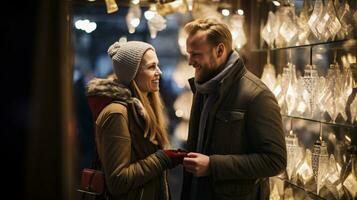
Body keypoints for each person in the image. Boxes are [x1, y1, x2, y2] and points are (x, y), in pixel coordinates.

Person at [181, 18, 287, 200]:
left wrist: (213, 165)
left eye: (196, 54)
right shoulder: (203, 87)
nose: (190, 61)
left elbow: (275, 161)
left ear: (220, 50)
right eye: (189, 53)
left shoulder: (257, 95)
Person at [86, 40, 187, 199]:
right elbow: (118, 180)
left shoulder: (145, 108)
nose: (159, 72)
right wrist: (162, 159)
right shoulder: (117, 114)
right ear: (132, 74)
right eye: (151, 67)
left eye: (157, 65)